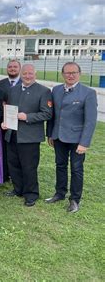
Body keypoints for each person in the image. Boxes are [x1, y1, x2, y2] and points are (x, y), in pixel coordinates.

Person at [45, 62, 98, 213]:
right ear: (63, 74)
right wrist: (50, 134)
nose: (70, 75)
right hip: (59, 137)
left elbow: (90, 121)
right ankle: (59, 193)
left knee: (76, 169)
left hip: (77, 139)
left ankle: (75, 200)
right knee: (60, 166)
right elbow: (52, 115)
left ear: (79, 74)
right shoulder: (55, 90)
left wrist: (84, 142)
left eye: (74, 72)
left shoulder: (88, 93)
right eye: (67, 73)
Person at [2, 64, 52, 207]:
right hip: (12, 133)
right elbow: (9, 109)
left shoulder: (44, 91)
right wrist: (5, 122)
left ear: (35, 74)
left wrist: (27, 117)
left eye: (30, 73)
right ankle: (18, 189)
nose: (27, 76)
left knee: (29, 166)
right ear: (21, 74)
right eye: (25, 74)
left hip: (29, 136)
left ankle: (31, 194)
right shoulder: (13, 90)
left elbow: (47, 113)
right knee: (13, 164)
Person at [0, 59, 22, 182]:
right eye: (10, 67)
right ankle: (4, 173)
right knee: (4, 148)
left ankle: (17, 174)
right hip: (3, 123)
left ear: (19, 69)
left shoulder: (26, 83)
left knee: (17, 150)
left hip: (20, 123)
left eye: (15, 67)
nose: (12, 69)